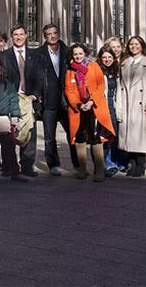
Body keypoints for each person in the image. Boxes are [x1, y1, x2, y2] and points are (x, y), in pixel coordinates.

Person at [63, 44, 115, 182]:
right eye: (75, 54)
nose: (78, 56)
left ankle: (99, 169)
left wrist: (92, 101)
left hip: (94, 107)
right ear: (72, 56)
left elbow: (100, 85)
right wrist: (78, 104)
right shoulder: (70, 71)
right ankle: (82, 168)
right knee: (79, 137)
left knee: (95, 137)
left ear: (85, 54)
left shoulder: (94, 66)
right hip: (78, 110)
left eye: (81, 53)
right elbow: (69, 90)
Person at [33, 23, 76, 176]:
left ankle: (77, 163)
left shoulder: (68, 52)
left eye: (55, 33)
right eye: (49, 34)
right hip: (48, 100)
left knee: (73, 133)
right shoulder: (38, 54)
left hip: (66, 100)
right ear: (45, 36)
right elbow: (35, 77)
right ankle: (53, 164)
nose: (52, 36)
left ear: (59, 34)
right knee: (49, 136)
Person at [0, 25, 40, 176]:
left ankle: (27, 166)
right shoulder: (4, 56)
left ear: (25, 36)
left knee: (29, 131)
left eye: (21, 34)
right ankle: (8, 166)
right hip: (11, 98)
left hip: (29, 98)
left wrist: (35, 95)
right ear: (12, 37)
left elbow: (40, 77)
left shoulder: (34, 55)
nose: (18, 37)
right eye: (15, 35)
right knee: (9, 133)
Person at [116, 36, 146, 177]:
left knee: (140, 138)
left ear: (142, 46)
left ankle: (140, 165)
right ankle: (131, 164)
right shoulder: (124, 62)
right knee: (129, 137)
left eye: (137, 44)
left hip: (142, 105)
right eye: (131, 44)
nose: (134, 46)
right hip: (127, 103)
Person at [96, 47, 125, 176]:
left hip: (114, 106)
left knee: (115, 136)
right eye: (104, 57)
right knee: (105, 136)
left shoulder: (117, 71)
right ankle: (103, 164)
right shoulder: (97, 71)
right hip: (102, 106)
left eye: (109, 57)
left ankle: (114, 162)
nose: (107, 60)